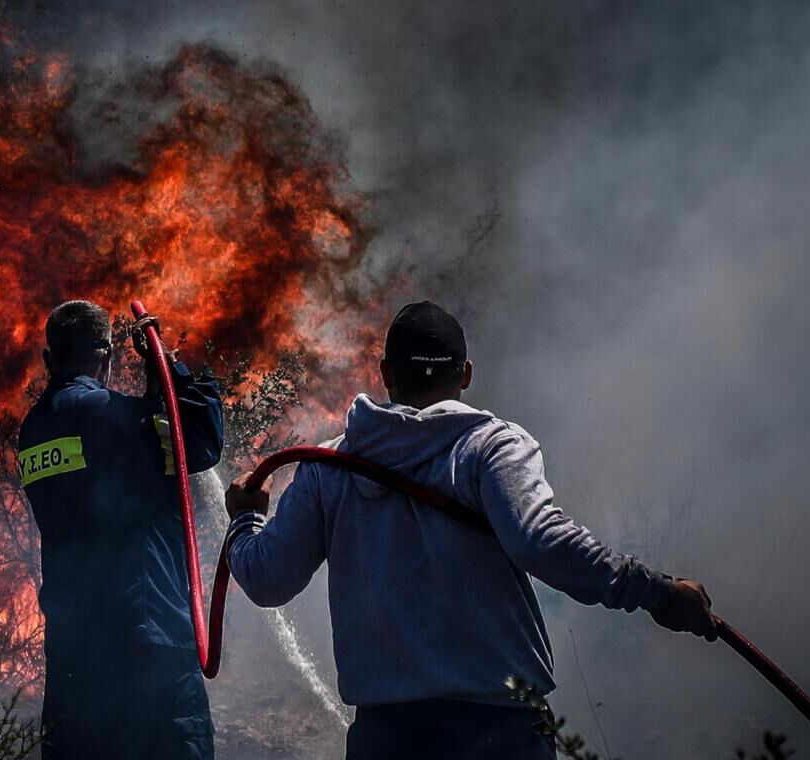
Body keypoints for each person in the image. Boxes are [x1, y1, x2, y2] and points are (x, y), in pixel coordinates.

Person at [224, 300, 717, 760]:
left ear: (386, 374)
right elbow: (541, 541)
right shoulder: (491, 447)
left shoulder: (327, 466)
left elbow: (268, 579)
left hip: (388, 737)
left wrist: (246, 517)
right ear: (465, 374)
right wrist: (657, 592)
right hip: (501, 731)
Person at [17, 300, 223, 759]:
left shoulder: (31, 431)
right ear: (106, 356)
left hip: (74, 655)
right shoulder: (114, 417)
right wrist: (164, 367)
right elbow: (202, 443)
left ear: (50, 360)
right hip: (147, 644)